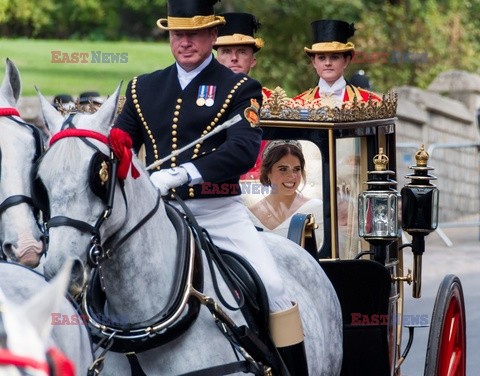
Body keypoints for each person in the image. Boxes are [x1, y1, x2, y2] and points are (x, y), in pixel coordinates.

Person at [113, 1, 308, 374]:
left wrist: (186, 173)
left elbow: (242, 149)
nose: (184, 42)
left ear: (212, 35)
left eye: (193, 34)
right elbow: (119, 141)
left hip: (217, 213)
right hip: (155, 216)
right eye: (177, 34)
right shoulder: (143, 87)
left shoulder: (239, 87)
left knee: (274, 288)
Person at [214, 12, 271, 180]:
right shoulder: (201, 98)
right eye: (225, 51)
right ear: (217, 59)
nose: (233, 58)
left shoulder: (273, 100)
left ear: (253, 60)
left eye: (241, 51)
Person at [247, 140, 323, 250]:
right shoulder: (250, 215)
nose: (291, 176)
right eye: (283, 169)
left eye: (296, 169)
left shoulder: (316, 210)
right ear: (268, 172)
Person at [293, 19, 381, 104]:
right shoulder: (297, 104)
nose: (328, 63)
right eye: (321, 58)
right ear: (314, 62)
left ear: (346, 61)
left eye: (334, 57)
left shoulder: (371, 102)